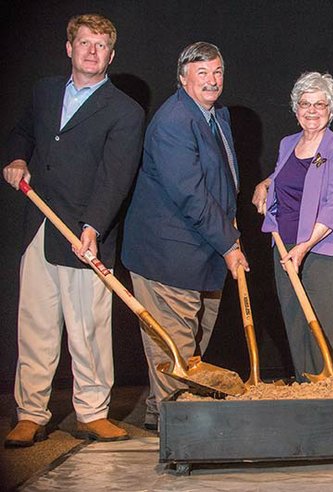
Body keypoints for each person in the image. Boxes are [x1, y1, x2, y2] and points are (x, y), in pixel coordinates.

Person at [2, 14, 144, 447]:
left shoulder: (125, 110)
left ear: (111, 55)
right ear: (69, 48)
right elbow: (22, 132)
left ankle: (93, 412)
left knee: (89, 330)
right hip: (40, 226)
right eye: (84, 43)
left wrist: (93, 227)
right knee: (36, 325)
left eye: (100, 45)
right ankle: (30, 413)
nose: (91, 51)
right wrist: (19, 158)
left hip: (84, 233)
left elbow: (116, 177)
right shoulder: (45, 91)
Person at [121, 42, 248, 431]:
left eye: (217, 72)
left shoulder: (214, 115)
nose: (212, 81)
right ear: (182, 79)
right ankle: (180, 435)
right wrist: (228, 244)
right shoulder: (174, 121)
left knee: (191, 345)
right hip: (168, 253)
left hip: (203, 247)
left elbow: (220, 181)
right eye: (201, 74)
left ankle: (161, 413)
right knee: (174, 346)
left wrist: (230, 231)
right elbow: (190, 194)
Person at [253, 72, 333, 381]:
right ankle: (302, 387)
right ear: (296, 108)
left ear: (331, 108)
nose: (312, 110)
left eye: (320, 104)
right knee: (295, 322)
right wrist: (264, 183)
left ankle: (326, 391)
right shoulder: (288, 143)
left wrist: (305, 246)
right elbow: (284, 178)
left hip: (323, 250)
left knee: (321, 325)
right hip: (283, 246)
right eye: (305, 104)